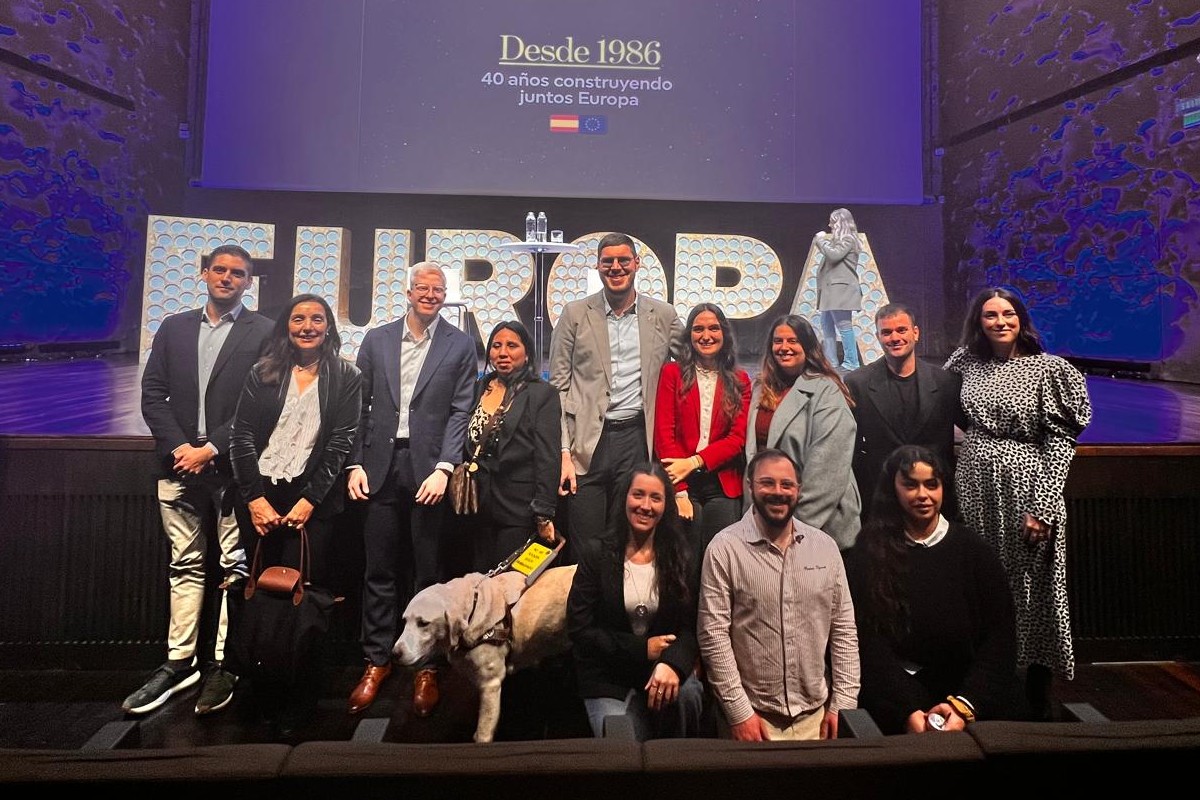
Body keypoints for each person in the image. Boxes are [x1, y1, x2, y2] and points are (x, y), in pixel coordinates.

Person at [125, 244, 272, 717]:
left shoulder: (265, 332)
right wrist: (180, 450)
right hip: (177, 466)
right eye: (221, 270)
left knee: (235, 567)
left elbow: (262, 405)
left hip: (232, 469)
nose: (228, 278)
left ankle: (223, 664)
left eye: (238, 273)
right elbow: (153, 394)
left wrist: (211, 448)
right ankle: (179, 662)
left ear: (249, 282)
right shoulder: (174, 327)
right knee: (184, 565)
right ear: (204, 273)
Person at [944, 287, 1092, 720]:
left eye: (1008, 313)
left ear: (1021, 318)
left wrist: (1043, 505)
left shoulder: (1049, 370)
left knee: (1031, 587)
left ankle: (1034, 692)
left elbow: (1062, 441)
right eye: (990, 315)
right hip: (974, 483)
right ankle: (985, 685)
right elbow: (951, 404)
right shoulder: (967, 363)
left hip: (1027, 486)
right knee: (982, 581)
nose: (1000, 321)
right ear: (979, 322)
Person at [345, 262, 477, 717]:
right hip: (378, 466)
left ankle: (427, 666)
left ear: (446, 295)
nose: (430, 295)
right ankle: (376, 661)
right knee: (378, 570)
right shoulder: (377, 340)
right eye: (422, 288)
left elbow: (462, 410)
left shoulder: (459, 345)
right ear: (407, 291)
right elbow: (357, 406)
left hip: (429, 471)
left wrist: (445, 467)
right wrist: (355, 463)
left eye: (437, 289)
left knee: (428, 574)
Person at [228, 293, 362, 734]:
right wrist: (254, 499)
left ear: (328, 326)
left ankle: (300, 703)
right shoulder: (262, 373)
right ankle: (260, 694)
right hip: (263, 498)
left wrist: (310, 501)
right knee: (263, 596)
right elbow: (242, 437)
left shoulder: (346, 375)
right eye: (299, 318)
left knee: (307, 602)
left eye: (317, 319)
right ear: (287, 325)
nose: (307, 326)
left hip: (314, 504)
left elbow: (341, 442)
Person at [844, 445, 1019, 735]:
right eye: (910, 485)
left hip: (966, 692)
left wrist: (964, 706)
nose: (922, 495)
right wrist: (908, 709)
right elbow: (865, 641)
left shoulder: (973, 549)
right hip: (896, 695)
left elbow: (1000, 639)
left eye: (931, 484)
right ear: (893, 489)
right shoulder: (869, 549)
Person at [698, 448, 859, 741]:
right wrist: (739, 713)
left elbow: (844, 631)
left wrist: (844, 707)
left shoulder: (825, 547)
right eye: (767, 483)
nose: (778, 492)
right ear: (750, 486)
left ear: (799, 490)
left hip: (818, 720)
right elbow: (713, 636)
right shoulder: (723, 549)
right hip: (753, 722)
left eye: (787, 485)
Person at [549, 232, 683, 558]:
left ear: (637, 263)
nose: (616, 267)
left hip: (636, 439)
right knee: (586, 548)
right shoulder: (575, 314)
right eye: (608, 261)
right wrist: (564, 452)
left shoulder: (663, 316)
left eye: (623, 260)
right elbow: (557, 388)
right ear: (597, 266)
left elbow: (694, 363)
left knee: (630, 542)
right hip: (586, 444)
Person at [567, 463, 704, 741]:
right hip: (608, 678)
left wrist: (672, 664)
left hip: (660, 671)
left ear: (667, 505)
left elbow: (691, 627)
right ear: (624, 498)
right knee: (623, 747)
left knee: (689, 696)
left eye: (656, 498)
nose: (645, 505)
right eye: (638, 495)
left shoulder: (681, 556)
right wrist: (643, 649)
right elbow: (579, 630)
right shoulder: (596, 554)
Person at [746, 314, 861, 550]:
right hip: (767, 519)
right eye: (778, 341)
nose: (784, 348)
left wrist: (792, 529)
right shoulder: (760, 389)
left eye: (793, 341)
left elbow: (827, 471)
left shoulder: (826, 391)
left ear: (807, 347)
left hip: (817, 525)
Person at [844, 302, 965, 518]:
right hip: (880, 498)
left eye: (901, 330)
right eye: (887, 332)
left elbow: (971, 433)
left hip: (932, 496)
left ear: (915, 333)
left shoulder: (947, 382)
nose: (895, 337)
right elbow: (849, 446)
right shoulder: (857, 383)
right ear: (878, 337)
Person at [463, 320, 562, 572]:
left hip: (519, 508)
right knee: (476, 582)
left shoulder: (542, 393)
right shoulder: (479, 387)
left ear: (526, 352)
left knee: (507, 585)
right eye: (496, 346)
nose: (503, 352)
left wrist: (544, 513)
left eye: (511, 345)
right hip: (476, 506)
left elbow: (547, 457)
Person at [653, 303, 750, 555]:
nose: (706, 336)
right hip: (681, 482)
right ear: (689, 335)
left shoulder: (741, 380)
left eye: (713, 328)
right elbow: (664, 434)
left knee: (719, 559)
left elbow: (737, 439)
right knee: (686, 563)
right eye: (698, 329)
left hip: (722, 483)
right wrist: (679, 492)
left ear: (724, 334)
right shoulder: (672, 373)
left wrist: (695, 461)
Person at [814, 207, 864, 371]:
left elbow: (834, 255)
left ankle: (852, 361)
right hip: (831, 291)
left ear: (841, 223)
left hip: (840, 291)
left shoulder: (848, 239)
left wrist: (821, 240)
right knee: (827, 324)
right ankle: (830, 361)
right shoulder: (840, 241)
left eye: (833, 221)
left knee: (844, 326)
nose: (830, 225)